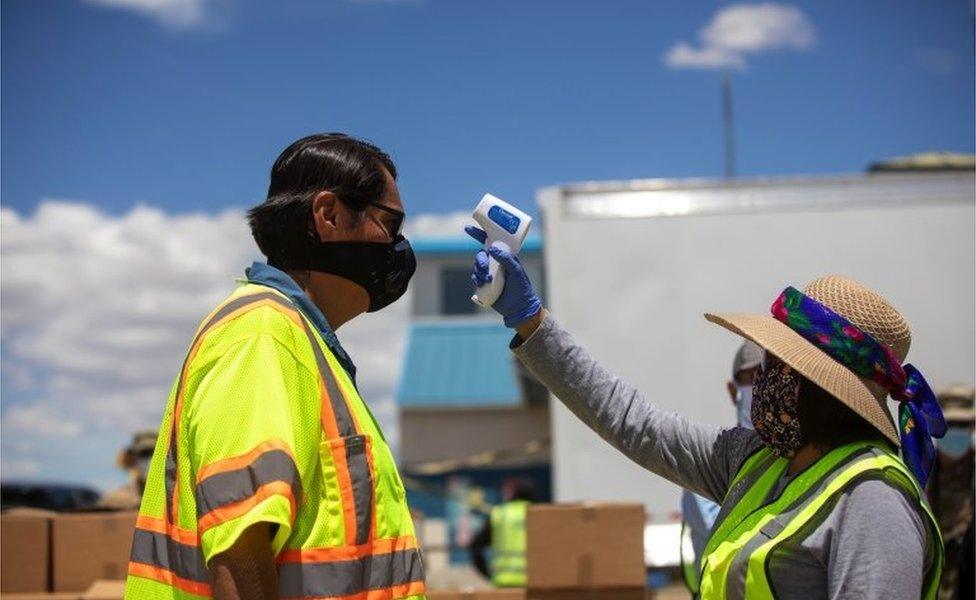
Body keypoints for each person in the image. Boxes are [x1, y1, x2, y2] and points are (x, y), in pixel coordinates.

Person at [466, 228, 947, 599]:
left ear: (828, 390)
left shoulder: (873, 500)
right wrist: (530, 320)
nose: (764, 378)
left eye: (780, 366)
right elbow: (630, 419)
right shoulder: (756, 460)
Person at [125, 134, 426, 600]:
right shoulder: (263, 333)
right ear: (328, 216)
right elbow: (239, 539)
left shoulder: (303, 343)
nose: (397, 245)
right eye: (389, 222)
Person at [680, 341, 760, 595]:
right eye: (751, 378)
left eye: (767, 376)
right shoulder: (710, 461)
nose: (760, 388)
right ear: (732, 390)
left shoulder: (797, 459)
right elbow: (735, 537)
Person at [926, 385, 974, 600]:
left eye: (961, 425)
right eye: (948, 425)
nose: (954, 432)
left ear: (973, 427)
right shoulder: (918, 476)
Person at [469, 482, 537, 587]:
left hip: (503, 584)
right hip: (533, 582)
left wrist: (488, 575)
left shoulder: (500, 514)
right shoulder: (538, 515)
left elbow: (475, 546)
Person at [98, 431, 158, 510]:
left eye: (154, 454)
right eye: (144, 455)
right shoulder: (117, 499)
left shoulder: (173, 497)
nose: (150, 460)